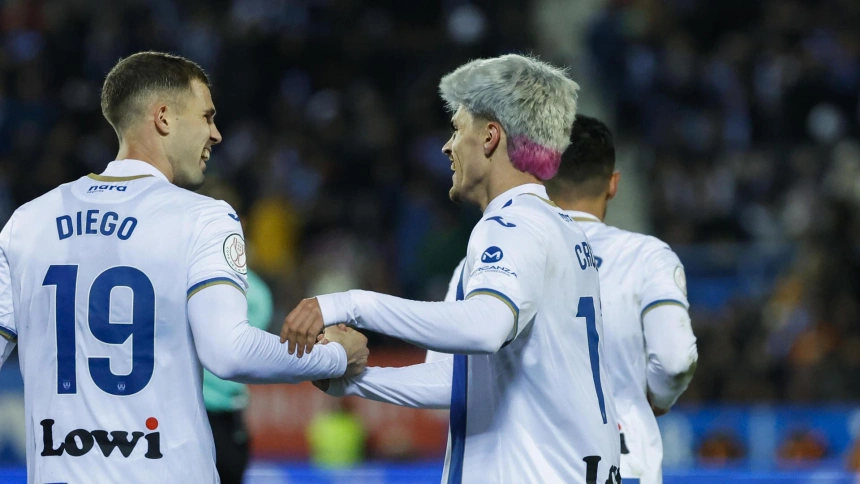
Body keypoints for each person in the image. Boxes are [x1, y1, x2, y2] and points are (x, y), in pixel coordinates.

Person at [0, 51, 368, 484]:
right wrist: (333, 357)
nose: (216, 134)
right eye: (207, 116)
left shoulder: (27, 222)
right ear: (163, 117)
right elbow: (230, 353)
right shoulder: (203, 218)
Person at [281, 54, 621, 483]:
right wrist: (349, 380)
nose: (447, 146)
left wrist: (348, 304)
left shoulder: (509, 225)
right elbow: (453, 379)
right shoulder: (562, 231)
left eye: (458, 129)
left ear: (491, 137)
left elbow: (484, 328)